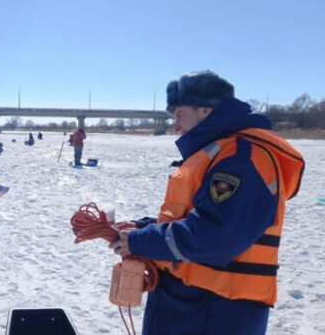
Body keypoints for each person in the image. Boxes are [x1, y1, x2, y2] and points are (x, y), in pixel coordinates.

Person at [109, 71, 305, 334]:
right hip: (189, 305)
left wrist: (141, 240)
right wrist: (143, 227)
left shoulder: (241, 159)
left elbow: (216, 235)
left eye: (179, 115)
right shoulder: (216, 152)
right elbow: (197, 218)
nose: (175, 127)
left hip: (216, 311)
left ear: (205, 110)